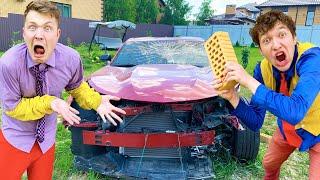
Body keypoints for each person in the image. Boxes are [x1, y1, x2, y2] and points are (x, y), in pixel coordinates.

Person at [0, 1, 126, 179]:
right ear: (24, 32)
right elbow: (13, 108)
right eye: (32, 27)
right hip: (14, 140)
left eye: (47, 28)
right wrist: (51, 102)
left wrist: (96, 102)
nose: (39, 35)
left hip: (46, 141)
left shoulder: (70, 59)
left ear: (58, 34)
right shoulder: (9, 63)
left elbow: (78, 88)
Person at [213, 10, 320, 179]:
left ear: (294, 38)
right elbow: (255, 122)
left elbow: (295, 111)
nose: (276, 45)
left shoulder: (313, 59)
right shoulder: (263, 70)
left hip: (318, 130)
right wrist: (233, 98)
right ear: (262, 50)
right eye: (266, 40)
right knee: (268, 164)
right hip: (287, 130)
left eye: (282, 34)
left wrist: (248, 81)